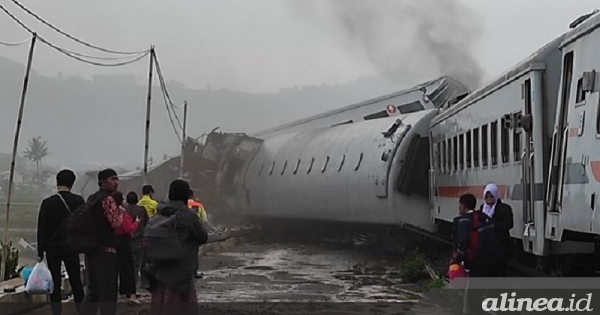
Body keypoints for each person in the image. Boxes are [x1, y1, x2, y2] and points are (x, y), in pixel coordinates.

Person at [148, 180, 208, 315]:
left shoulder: (160, 211)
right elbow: (203, 236)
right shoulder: (187, 215)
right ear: (186, 196)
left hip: (159, 270)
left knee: (160, 305)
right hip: (180, 272)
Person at [36, 170, 85, 315]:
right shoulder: (78, 201)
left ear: (57, 182)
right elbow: (83, 224)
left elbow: (42, 228)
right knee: (76, 281)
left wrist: (40, 252)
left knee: (54, 283)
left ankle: (56, 312)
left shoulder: (48, 203)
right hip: (72, 247)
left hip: (53, 248)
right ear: (72, 183)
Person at [78, 169, 123, 315]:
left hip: (91, 249)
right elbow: (116, 224)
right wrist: (121, 212)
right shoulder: (108, 200)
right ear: (102, 182)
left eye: (116, 179)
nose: (115, 182)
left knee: (93, 290)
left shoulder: (92, 199)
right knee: (108, 291)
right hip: (106, 250)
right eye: (112, 179)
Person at [112, 191, 141, 305]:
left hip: (113, 241)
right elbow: (128, 228)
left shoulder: (110, 212)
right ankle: (131, 294)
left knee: (114, 269)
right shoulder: (122, 212)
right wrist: (136, 223)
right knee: (128, 268)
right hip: (124, 241)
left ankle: (117, 292)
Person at [480, 183, 514, 276]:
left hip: (501, 246)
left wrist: (492, 225)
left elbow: (509, 224)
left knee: (500, 272)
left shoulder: (505, 208)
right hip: (487, 247)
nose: (489, 198)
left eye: (491, 196)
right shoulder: (482, 208)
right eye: (487, 196)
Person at [125, 191, 149, 290]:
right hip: (138, 240)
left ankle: (126, 285)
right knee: (137, 264)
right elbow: (147, 222)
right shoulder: (142, 210)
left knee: (126, 264)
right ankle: (134, 285)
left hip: (125, 240)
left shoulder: (123, 210)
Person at [188, 189, 209, 278]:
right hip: (194, 232)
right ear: (192, 196)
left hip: (181, 233)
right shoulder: (198, 205)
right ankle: (193, 272)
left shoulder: (181, 206)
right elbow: (204, 220)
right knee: (193, 252)